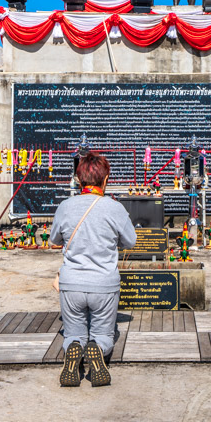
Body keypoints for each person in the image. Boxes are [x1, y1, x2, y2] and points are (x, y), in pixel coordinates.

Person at [50, 152, 136, 387]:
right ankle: (97, 348)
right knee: (104, 333)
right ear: (105, 179)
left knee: (73, 333)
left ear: (79, 180)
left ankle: (74, 347)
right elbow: (130, 241)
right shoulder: (115, 208)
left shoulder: (65, 207)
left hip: (72, 284)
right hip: (104, 284)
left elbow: (54, 239)